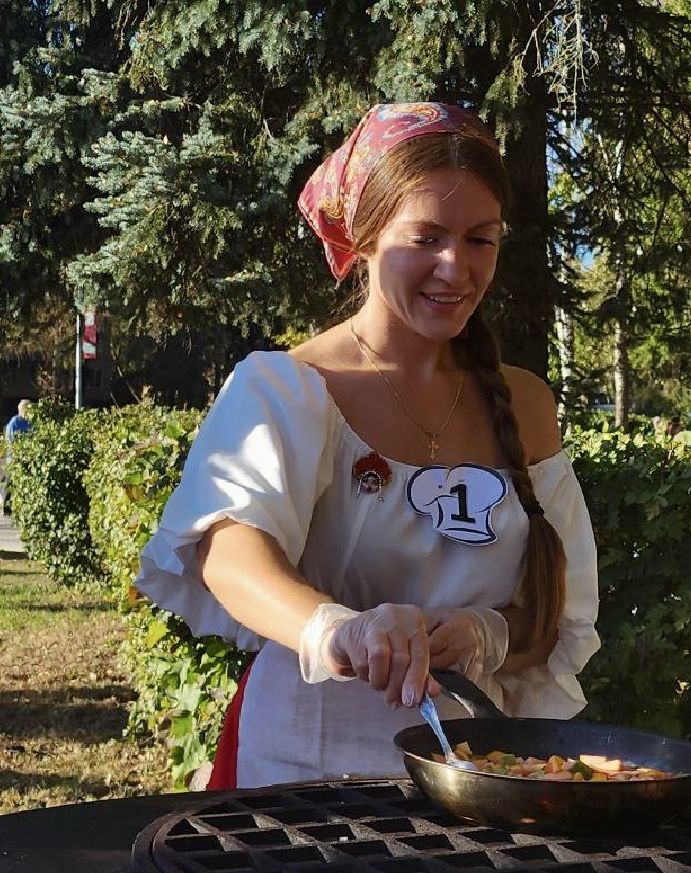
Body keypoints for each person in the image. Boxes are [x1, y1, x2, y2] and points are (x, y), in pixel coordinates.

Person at [135, 102, 601, 790]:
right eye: (426, 237)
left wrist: (485, 634)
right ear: (365, 237)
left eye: (480, 239)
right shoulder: (288, 388)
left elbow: (550, 603)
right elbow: (229, 553)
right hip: (301, 771)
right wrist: (336, 632)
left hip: (475, 775)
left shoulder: (525, 402)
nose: (455, 267)